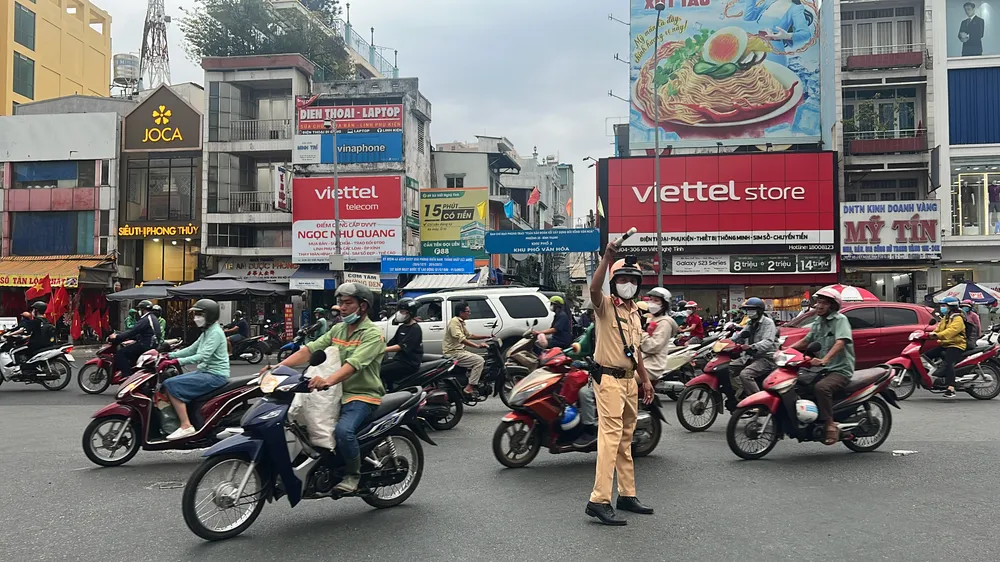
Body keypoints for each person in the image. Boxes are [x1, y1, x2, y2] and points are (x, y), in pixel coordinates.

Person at [271, 282, 386, 494]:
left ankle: (353, 475)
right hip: (333, 393)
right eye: (340, 303)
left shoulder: (372, 334)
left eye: (348, 303)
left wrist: (328, 380)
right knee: (294, 421)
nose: (342, 307)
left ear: (363, 306)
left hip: (360, 395)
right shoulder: (338, 329)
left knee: (344, 432)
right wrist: (278, 367)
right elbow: (310, 349)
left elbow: (354, 364)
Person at [583, 244, 655, 526]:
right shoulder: (605, 308)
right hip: (609, 380)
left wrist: (645, 380)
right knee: (610, 439)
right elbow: (592, 290)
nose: (627, 284)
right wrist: (606, 260)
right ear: (614, 283)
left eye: (632, 280)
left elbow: (635, 351)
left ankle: (627, 494)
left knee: (626, 440)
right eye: (622, 279)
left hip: (629, 382)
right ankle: (598, 500)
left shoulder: (636, 313)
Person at [156, 299, 230, 440]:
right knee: (169, 382)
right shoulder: (207, 331)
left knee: (171, 385)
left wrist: (176, 361)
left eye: (199, 314)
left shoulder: (215, 332)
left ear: (209, 315)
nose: (196, 318)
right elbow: (192, 349)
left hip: (214, 375)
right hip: (205, 372)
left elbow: (202, 356)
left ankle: (186, 425)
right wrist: (169, 355)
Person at [789, 287, 854, 445]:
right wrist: (786, 351)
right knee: (799, 383)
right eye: (818, 302)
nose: (819, 306)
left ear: (832, 306)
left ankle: (830, 424)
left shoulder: (840, 320)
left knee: (821, 388)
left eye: (824, 303)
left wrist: (825, 359)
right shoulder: (818, 321)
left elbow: (841, 342)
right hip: (822, 368)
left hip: (840, 369)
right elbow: (806, 340)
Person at [728, 297, 779, 409]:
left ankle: (759, 403)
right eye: (748, 310)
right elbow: (741, 335)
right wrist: (729, 340)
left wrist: (751, 347)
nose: (749, 312)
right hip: (749, 356)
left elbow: (768, 342)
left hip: (766, 358)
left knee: (745, 374)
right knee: (729, 368)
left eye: (752, 309)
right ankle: (742, 392)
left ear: (760, 311)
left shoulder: (768, 323)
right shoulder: (750, 323)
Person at [443, 301, 491, 398]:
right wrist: (477, 346)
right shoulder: (454, 323)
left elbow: (469, 335)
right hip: (453, 353)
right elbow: (462, 339)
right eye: (467, 311)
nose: (469, 313)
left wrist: (487, 336)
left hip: (460, 351)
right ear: (461, 312)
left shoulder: (460, 322)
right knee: (479, 361)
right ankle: (469, 388)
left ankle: (470, 379)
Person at [927, 297, 967, 399]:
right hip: (945, 344)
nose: (942, 307)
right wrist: (929, 334)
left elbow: (951, 331)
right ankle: (934, 376)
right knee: (926, 355)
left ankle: (951, 388)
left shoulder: (958, 318)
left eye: (944, 305)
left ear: (951, 306)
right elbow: (938, 329)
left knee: (949, 363)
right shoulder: (946, 318)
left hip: (956, 345)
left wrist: (938, 335)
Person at [637, 287, 679, 383]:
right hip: (640, 363)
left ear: (664, 304)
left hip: (651, 366)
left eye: (656, 301)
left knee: (625, 381)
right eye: (651, 300)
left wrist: (641, 333)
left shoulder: (665, 323)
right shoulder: (649, 319)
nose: (652, 303)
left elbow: (652, 346)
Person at [110, 300, 160, 379]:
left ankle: (127, 375)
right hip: (152, 343)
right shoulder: (152, 317)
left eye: (140, 309)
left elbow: (133, 331)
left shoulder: (145, 319)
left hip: (146, 344)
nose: (138, 312)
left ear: (143, 310)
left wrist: (117, 337)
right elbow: (140, 332)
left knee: (120, 354)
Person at [381, 298, 423, 388]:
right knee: (377, 366)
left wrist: (381, 349)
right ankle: (389, 388)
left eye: (403, 312)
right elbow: (391, 343)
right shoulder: (402, 327)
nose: (400, 314)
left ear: (410, 313)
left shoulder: (415, 329)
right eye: (399, 311)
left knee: (381, 370)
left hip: (409, 363)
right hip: (399, 360)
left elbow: (401, 346)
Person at [15, 302, 55, 372]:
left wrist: (10, 334)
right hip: (45, 344)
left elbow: (23, 330)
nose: (32, 312)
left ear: (37, 310)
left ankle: (25, 369)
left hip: (36, 345)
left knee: (18, 350)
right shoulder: (46, 321)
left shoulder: (36, 321)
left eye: (33, 310)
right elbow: (37, 333)